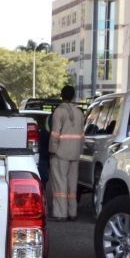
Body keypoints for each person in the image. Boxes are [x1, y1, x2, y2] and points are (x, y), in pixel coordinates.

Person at [49, 85, 85, 221]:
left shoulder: (59, 112)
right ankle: (72, 212)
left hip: (61, 153)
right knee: (72, 184)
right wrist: (79, 151)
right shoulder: (79, 113)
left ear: (61, 95)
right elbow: (82, 136)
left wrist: (53, 150)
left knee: (60, 183)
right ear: (74, 96)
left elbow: (55, 133)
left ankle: (60, 214)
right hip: (75, 153)